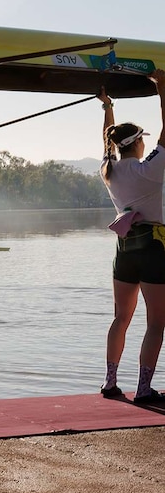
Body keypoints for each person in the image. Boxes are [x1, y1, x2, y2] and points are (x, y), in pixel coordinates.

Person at [97, 70, 165, 404]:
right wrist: (163, 90)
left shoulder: (108, 171)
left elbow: (105, 143)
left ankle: (110, 383)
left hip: (123, 250)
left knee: (121, 318)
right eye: (143, 139)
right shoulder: (149, 170)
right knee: (156, 323)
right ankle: (144, 389)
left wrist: (107, 107)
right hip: (153, 248)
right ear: (138, 143)